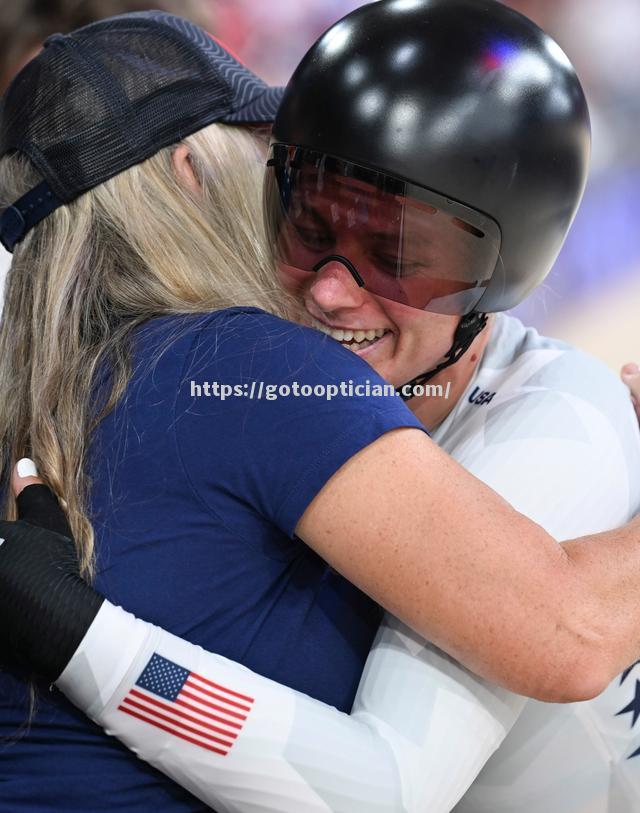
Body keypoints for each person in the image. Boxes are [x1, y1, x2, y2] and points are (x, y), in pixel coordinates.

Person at [2, 7, 640, 813]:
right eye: (306, 224)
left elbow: (395, 786)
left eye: (397, 253)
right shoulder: (257, 375)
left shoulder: (555, 419)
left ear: (500, 273)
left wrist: (83, 637)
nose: (332, 290)